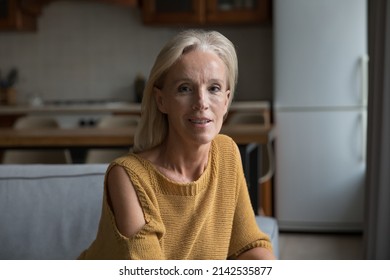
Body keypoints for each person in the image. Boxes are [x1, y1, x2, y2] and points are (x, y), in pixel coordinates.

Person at [78, 29, 276, 260]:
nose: (201, 102)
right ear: (161, 100)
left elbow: (249, 245)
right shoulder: (128, 176)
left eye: (213, 88)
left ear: (226, 99)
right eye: (185, 88)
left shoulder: (227, 152)